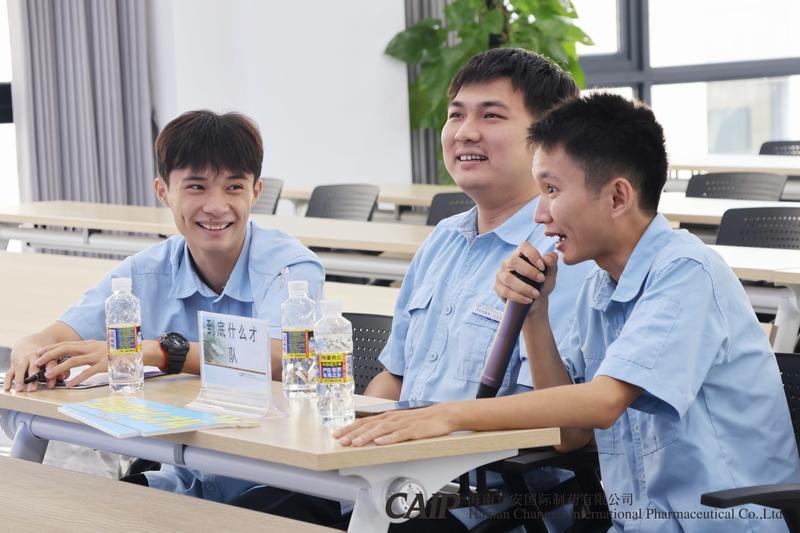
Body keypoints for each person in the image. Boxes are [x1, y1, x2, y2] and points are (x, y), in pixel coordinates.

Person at [335, 93, 800, 531]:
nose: (540, 215)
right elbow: (569, 433)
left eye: (552, 190)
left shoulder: (686, 271)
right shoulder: (600, 287)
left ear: (617, 198)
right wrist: (534, 315)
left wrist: (451, 415)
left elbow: (603, 401)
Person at [2, 109, 325, 503]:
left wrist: (159, 352)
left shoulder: (291, 268)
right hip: (184, 474)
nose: (216, 206)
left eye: (234, 187)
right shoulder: (146, 270)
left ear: (255, 192)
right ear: (163, 192)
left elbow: (280, 357)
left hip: (281, 481)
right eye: (196, 187)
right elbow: (49, 337)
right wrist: (29, 356)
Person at [362, 48, 595, 530]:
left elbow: (564, 425)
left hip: (491, 502)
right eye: (456, 115)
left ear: (548, 137)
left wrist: (446, 424)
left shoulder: (564, 253)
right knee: (272, 508)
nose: (465, 132)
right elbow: (394, 379)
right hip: (396, 484)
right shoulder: (442, 240)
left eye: (491, 115)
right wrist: (355, 435)